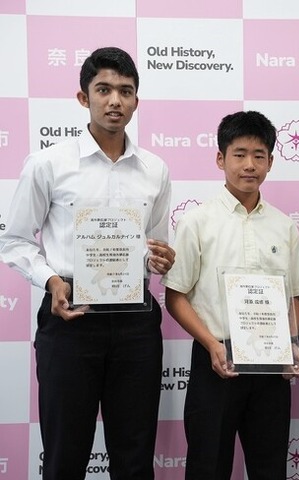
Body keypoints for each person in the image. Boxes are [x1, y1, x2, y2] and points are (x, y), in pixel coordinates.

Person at [0, 47, 175, 479]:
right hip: (69, 315)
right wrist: (51, 281)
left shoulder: (155, 169)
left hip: (136, 322)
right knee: (65, 454)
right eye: (104, 89)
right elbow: (15, 240)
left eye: (125, 91)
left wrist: (160, 259)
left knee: (135, 457)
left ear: (136, 100)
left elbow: (154, 247)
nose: (115, 100)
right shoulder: (48, 164)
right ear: (84, 97)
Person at [162, 110, 299, 480]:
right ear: (220, 158)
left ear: (271, 162)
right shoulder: (197, 222)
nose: (249, 165)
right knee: (208, 466)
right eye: (239, 154)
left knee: (269, 468)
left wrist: (292, 343)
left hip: (272, 365)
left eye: (259, 156)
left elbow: (294, 296)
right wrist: (212, 345)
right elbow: (176, 296)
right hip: (217, 361)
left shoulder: (284, 226)